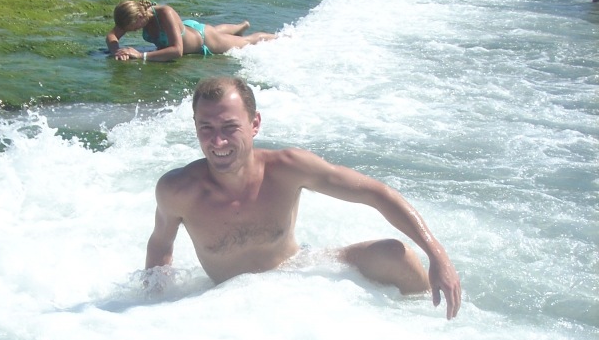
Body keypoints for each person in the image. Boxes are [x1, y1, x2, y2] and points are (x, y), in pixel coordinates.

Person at [145, 77, 462, 319]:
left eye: (230, 127)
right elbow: (160, 246)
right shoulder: (178, 191)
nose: (218, 141)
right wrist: (153, 312)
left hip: (299, 274)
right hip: (229, 303)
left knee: (398, 255)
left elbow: (377, 194)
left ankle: (433, 322)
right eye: (206, 128)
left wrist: (438, 256)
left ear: (254, 124)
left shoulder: (287, 169)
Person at [106, 0, 276, 62]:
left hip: (204, 39)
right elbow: (112, 36)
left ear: (140, 17)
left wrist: (141, 55)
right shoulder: (132, 16)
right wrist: (117, 51)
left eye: (133, 28)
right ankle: (240, 26)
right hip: (188, 30)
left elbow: (177, 51)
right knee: (216, 30)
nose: (132, 31)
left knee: (247, 42)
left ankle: (281, 37)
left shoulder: (164, 13)